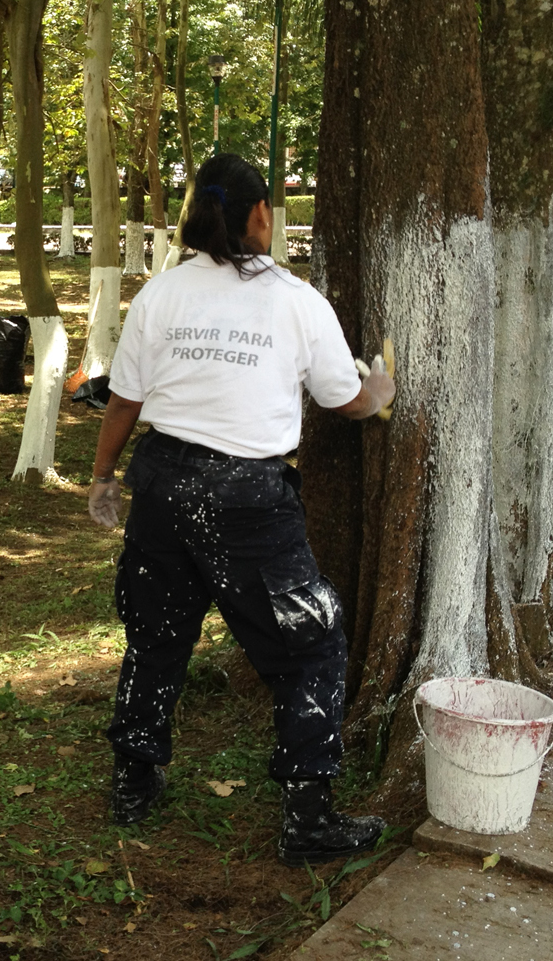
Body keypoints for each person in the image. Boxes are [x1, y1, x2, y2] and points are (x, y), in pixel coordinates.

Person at [86, 154, 396, 865]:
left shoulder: (160, 295)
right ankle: (308, 815)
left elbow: (125, 400)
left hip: (163, 484)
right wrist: (377, 393)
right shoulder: (296, 300)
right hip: (248, 498)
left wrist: (103, 476)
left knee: (156, 634)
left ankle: (134, 781)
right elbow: (343, 397)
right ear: (261, 216)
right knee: (310, 641)